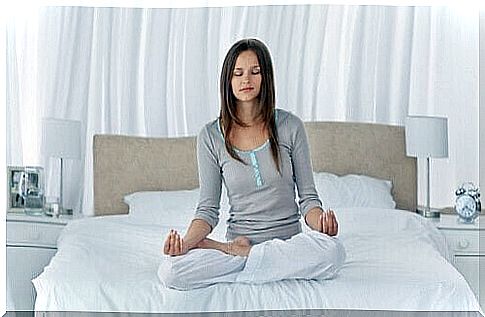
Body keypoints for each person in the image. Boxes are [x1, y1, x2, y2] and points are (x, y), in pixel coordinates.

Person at [158, 38, 346, 290]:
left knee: (333, 252)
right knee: (171, 272)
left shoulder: (290, 126)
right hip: (241, 242)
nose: (246, 80)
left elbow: (309, 199)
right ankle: (253, 259)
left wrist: (321, 223)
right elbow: (207, 209)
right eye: (238, 73)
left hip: (288, 244)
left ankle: (246, 257)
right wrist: (186, 244)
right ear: (228, 80)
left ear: (265, 77)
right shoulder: (211, 136)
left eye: (254, 72)